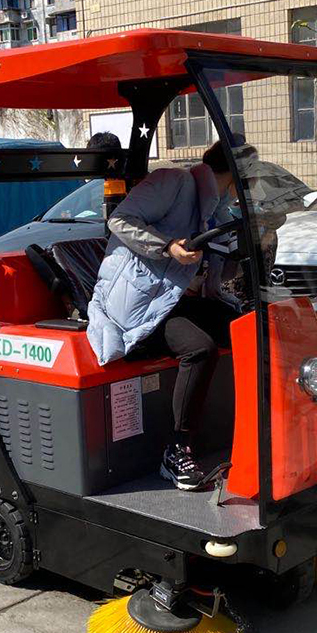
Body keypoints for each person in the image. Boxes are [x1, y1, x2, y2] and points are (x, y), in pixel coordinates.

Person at [87, 140, 240, 490]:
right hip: (133, 309)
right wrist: (167, 246)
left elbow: (219, 269)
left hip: (169, 300)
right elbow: (119, 220)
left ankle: (254, 429)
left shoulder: (216, 209)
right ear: (235, 174)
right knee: (199, 348)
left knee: (247, 326)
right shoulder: (174, 182)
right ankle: (176, 452)